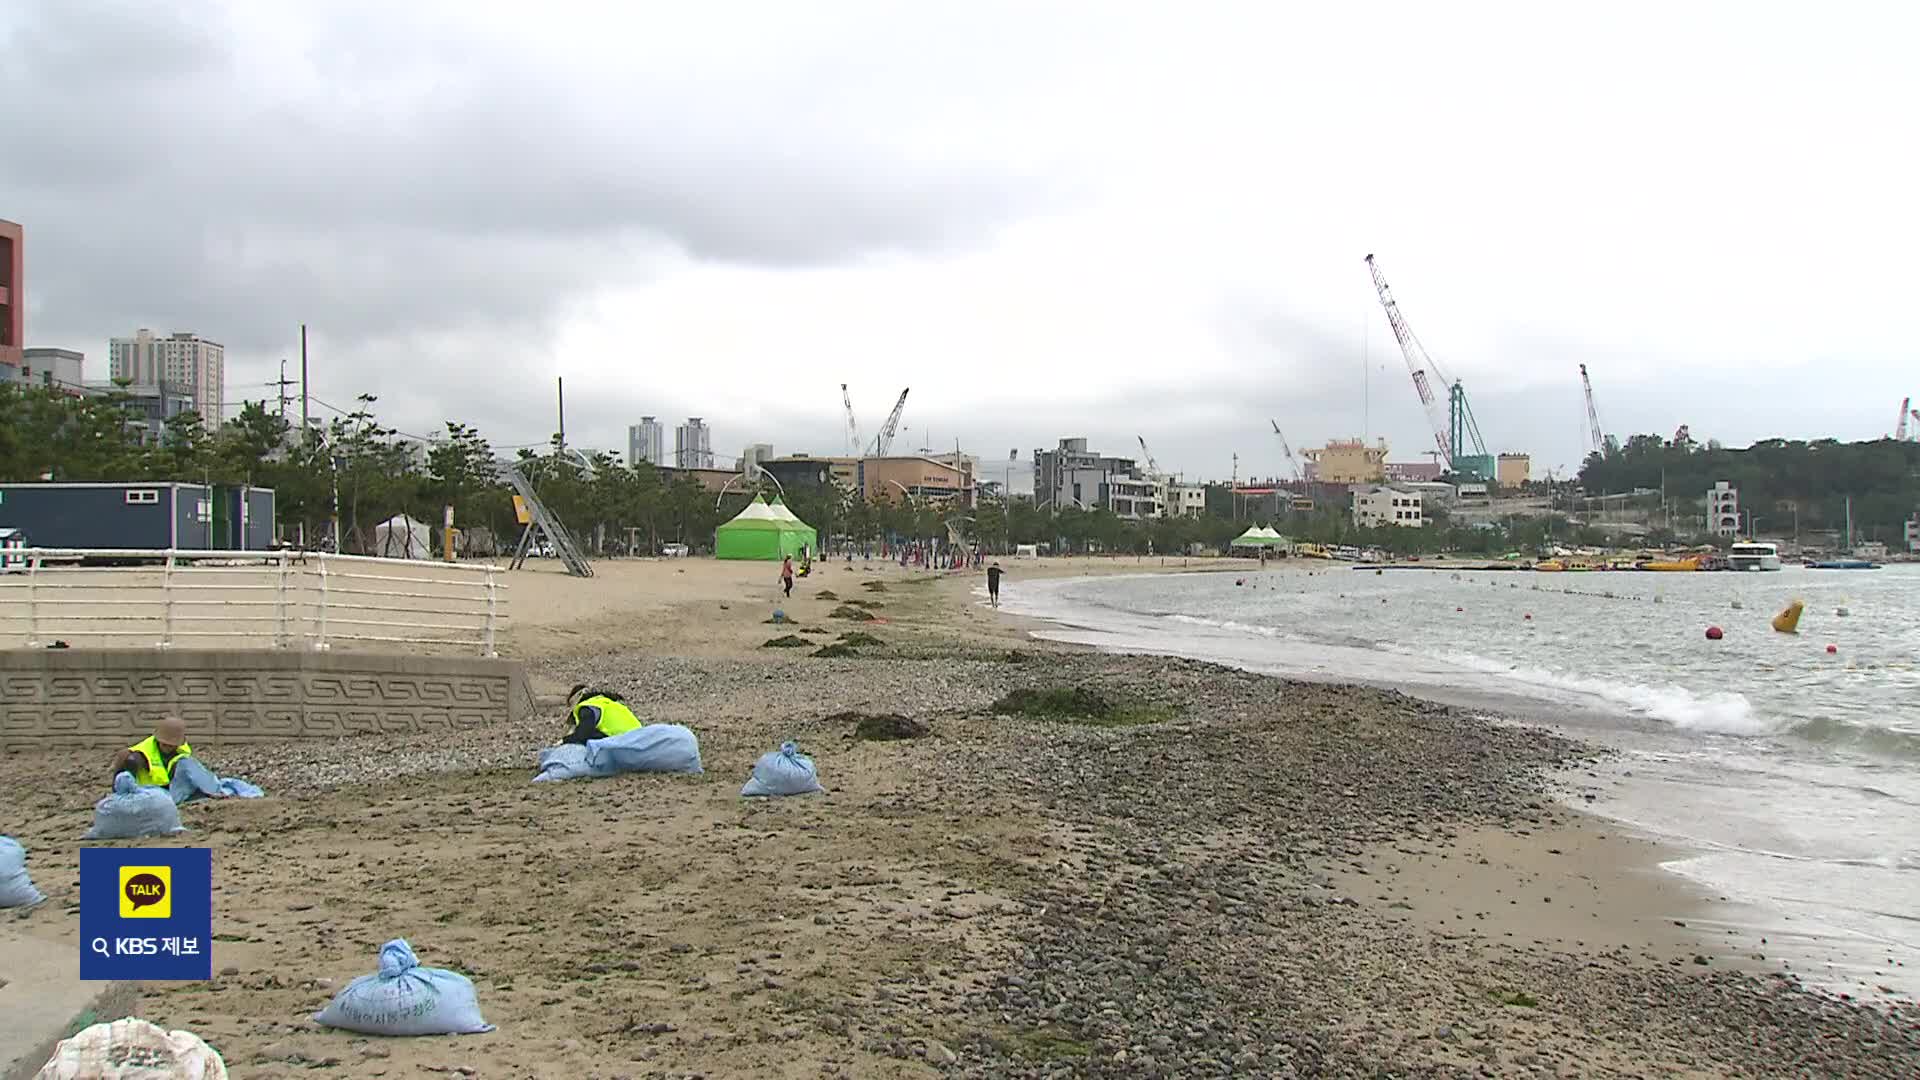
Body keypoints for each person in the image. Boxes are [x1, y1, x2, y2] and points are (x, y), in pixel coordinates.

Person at [110, 714, 192, 787]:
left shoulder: (183, 751)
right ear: (158, 740)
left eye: (170, 746)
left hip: (171, 790)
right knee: (130, 759)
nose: (166, 748)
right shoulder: (141, 753)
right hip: (145, 791)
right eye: (164, 744)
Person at [561, 685, 641, 745]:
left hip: (624, 744)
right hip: (641, 739)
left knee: (585, 741)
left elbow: (583, 734)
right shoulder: (606, 702)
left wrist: (564, 741)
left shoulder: (586, 708)